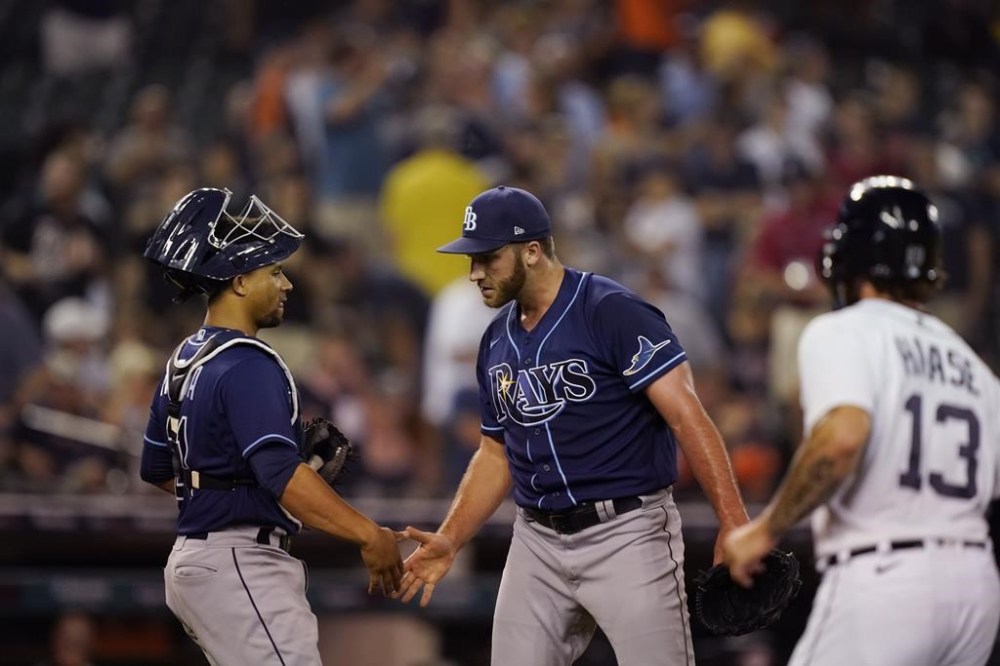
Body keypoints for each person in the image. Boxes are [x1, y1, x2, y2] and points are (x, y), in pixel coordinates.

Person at [396, 185, 749, 665]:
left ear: (533, 251)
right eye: (471, 260)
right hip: (536, 541)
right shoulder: (496, 340)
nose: (475, 273)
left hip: (627, 532)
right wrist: (451, 536)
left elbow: (688, 416)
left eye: (488, 258)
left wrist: (733, 522)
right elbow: (495, 453)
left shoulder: (610, 310)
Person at [724, 176, 1000, 665]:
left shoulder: (843, 331)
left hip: (886, 578)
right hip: (976, 588)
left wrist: (766, 531)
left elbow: (841, 439)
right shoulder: (974, 366)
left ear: (846, 256)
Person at [139, 188, 403, 665]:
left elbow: (159, 467)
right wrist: (369, 533)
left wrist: (240, 489)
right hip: (240, 562)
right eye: (274, 272)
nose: (288, 285)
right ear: (240, 282)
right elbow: (281, 472)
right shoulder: (247, 362)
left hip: (197, 561)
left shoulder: (184, 357)